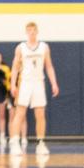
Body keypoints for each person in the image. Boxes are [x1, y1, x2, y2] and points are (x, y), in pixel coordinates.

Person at [10, 24, 59, 160]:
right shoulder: (21, 47)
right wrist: (13, 84)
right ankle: (15, 142)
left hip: (39, 82)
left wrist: (54, 83)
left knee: (40, 114)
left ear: (37, 31)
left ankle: (41, 143)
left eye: (33, 30)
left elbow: (49, 66)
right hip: (24, 82)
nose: (31, 32)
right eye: (29, 30)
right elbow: (15, 68)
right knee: (19, 113)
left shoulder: (44, 47)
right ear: (26, 32)